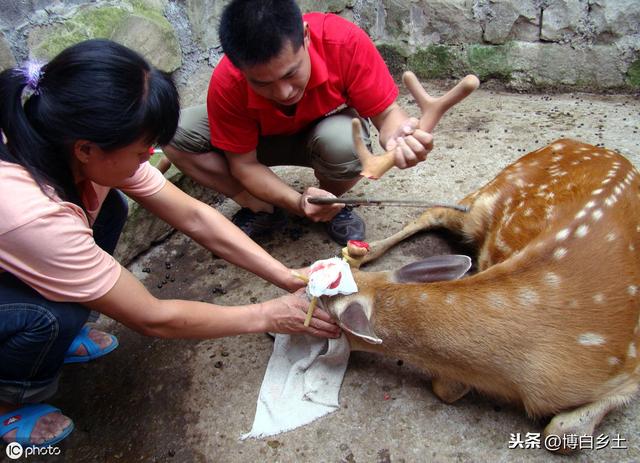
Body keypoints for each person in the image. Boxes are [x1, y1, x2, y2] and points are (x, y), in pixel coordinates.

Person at [0, 39, 339, 448]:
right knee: (49, 315)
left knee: (109, 210)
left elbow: (194, 215)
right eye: (142, 152)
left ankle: (64, 333)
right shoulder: (34, 214)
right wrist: (269, 315)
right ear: (86, 149)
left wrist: (284, 276)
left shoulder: (70, 139)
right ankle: (9, 401)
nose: (150, 158)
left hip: (24, 248)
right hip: (22, 261)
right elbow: (152, 317)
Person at [161, 0, 433, 245]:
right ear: (238, 67)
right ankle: (261, 206)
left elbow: (386, 115)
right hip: (260, 141)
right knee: (171, 132)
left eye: (291, 73)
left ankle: (330, 204)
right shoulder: (228, 82)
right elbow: (243, 165)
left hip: (322, 134)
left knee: (345, 144)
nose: (284, 93)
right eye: (262, 83)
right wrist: (297, 203)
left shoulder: (344, 42)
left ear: (305, 36)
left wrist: (398, 136)